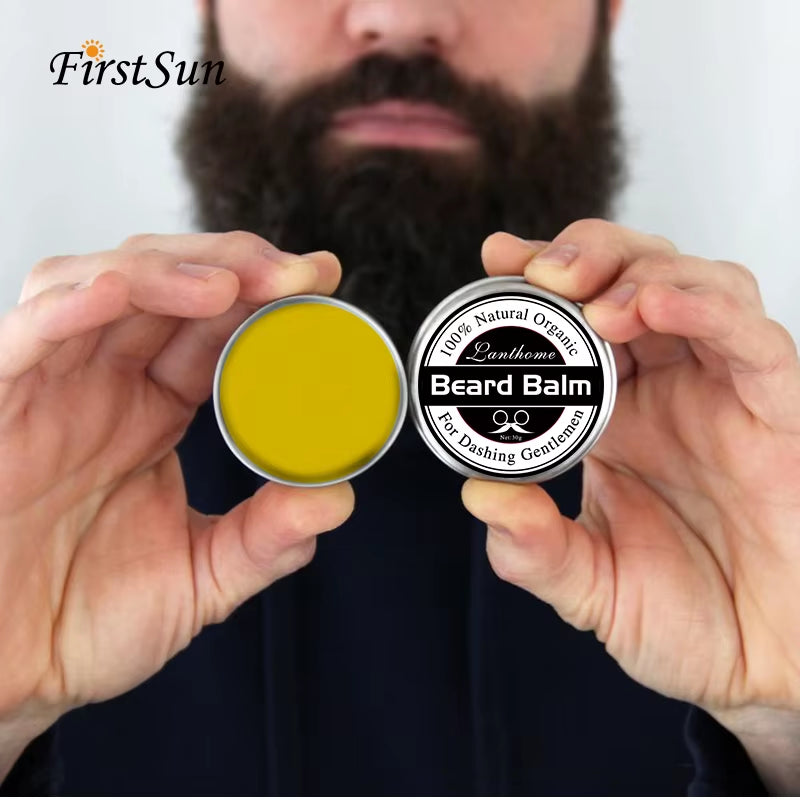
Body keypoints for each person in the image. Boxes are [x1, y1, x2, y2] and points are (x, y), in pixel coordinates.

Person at [2, 0, 799, 794]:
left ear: (608, 11)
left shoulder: (746, 506)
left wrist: (785, 724)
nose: (401, 16)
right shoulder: (45, 501)